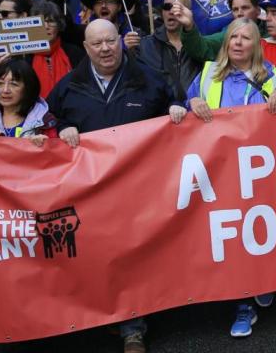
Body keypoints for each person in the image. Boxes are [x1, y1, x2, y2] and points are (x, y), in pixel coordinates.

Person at [47, 19, 184, 353]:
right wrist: (61, 128)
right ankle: (108, 313)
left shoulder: (149, 80)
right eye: (97, 44)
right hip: (91, 190)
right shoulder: (67, 88)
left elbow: (173, 105)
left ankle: (132, 327)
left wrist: (177, 109)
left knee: (132, 255)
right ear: (86, 47)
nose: (105, 49)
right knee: (101, 255)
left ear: (122, 41)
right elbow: (47, 122)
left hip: (140, 187)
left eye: (111, 41)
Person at [181, 18, 276, 337]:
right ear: (226, 43)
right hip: (223, 174)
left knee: (263, 233)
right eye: (233, 37)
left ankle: (263, 281)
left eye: (245, 37)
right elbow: (185, 111)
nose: (238, 42)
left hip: (262, 173)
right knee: (235, 240)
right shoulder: (208, 74)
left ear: (256, 44)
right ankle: (243, 305)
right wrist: (189, 103)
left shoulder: (272, 76)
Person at [0, 59, 58, 146]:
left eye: (14, 84)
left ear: (28, 88)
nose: (5, 90)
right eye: (0, 83)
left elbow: (57, 159)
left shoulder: (45, 122)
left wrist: (46, 147)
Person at [135, 0, 203, 101]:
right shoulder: (145, 46)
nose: (171, 12)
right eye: (167, 7)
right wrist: (128, 53)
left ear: (189, 13)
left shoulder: (202, 46)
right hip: (162, 115)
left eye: (177, 7)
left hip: (195, 113)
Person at [28, 1, 85, 98]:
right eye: (40, 22)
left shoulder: (75, 53)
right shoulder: (25, 56)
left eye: (50, 21)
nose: (46, 27)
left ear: (59, 25)